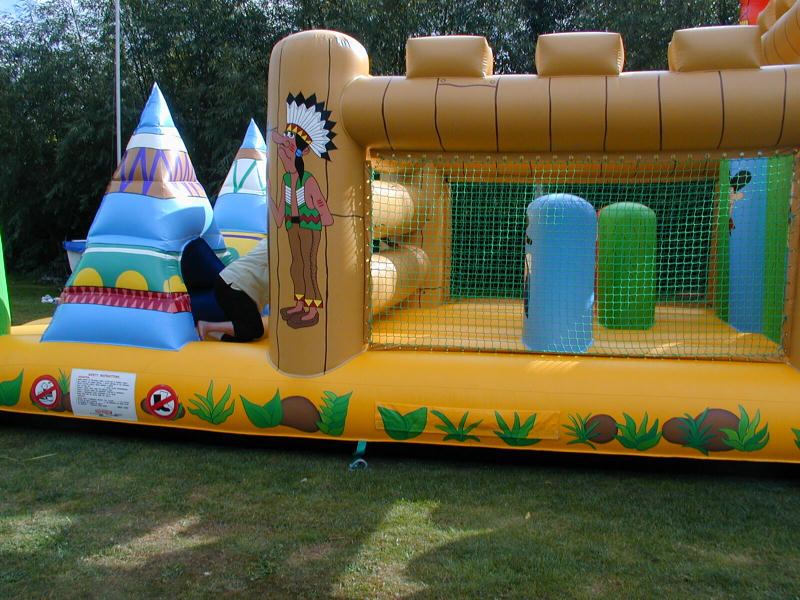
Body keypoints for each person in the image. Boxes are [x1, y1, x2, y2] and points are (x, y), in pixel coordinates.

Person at [269, 92, 336, 329]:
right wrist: (270, 198)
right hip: (292, 226)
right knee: (295, 265)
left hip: (308, 227)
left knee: (308, 265)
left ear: (299, 153)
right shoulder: (286, 180)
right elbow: (280, 216)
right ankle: (300, 303)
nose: (283, 155)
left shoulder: (308, 180)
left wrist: (325, 217)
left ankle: (313, 308)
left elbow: (321, 207)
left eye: (287, 150)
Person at [182, 237, 269, 342]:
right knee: (254, 330)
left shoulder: (275, 244)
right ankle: (207, 326)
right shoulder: (276, 246)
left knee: (249, 331)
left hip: (235, 285)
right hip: (234, 286)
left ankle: (216, 333)